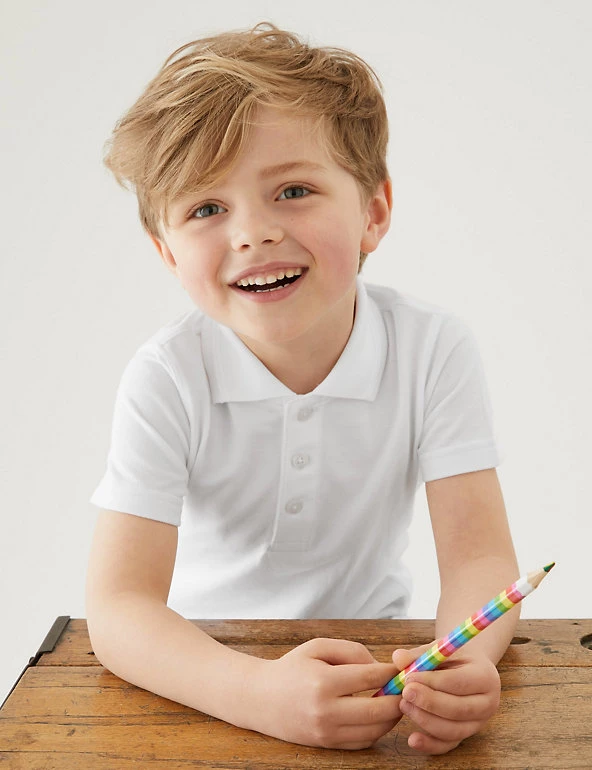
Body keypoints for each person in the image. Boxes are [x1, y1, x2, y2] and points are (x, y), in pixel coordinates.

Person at [86, 21, 519, 754]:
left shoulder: (432, 348)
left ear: (373, 212)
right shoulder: (167, 376)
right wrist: (255, 694)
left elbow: (480, 557)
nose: (252, 234)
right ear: (167, 252)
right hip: (203, 681)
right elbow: (120, 607)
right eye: (206, 208)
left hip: (378, 680)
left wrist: (465, 660)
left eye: (293, 190)